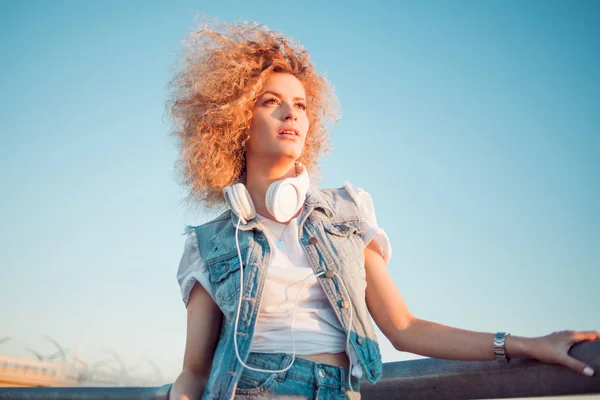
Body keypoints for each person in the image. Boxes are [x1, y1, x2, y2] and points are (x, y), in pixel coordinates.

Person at [168, 22, 598, 400]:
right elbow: (195, 371)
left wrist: (527, 344)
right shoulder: (211, 243)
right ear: (237, 121)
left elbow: (405, 328)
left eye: (301, 105)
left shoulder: (345, 214)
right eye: (270, 102)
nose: (291, 114)